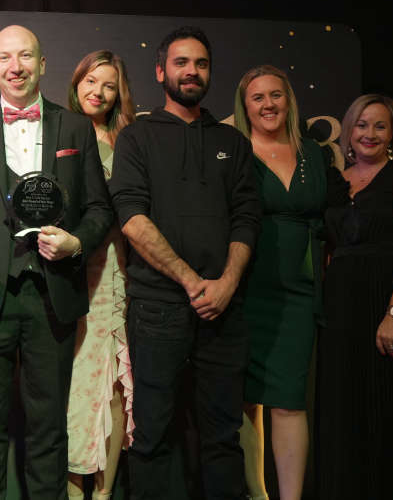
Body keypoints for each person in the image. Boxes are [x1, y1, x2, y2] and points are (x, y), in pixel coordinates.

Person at [0, 25, 114, 500]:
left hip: (52, 297)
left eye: (26, 56)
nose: (16, 67)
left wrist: (76, 243)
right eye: (5, 58)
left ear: (43, 64)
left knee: (49, 428)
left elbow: (100, 210)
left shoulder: (74, 128)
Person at [109, 26, 262, 500]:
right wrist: (193, 282)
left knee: (223, 436)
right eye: (181, 63)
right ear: (160, 72)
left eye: (200, 64)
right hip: (157, 309)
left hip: (225, 310)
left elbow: (247, 218)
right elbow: (132, 218)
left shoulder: (232, 141)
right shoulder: (136, 137)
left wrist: (226, 283)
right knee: (153, 435)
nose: (191, 71)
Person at [316, 94, 393, 499]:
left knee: (390, 408)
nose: (369, 133)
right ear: (349, 131)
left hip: (389, 305)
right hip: (341, 313)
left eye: (379, 126)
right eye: (362, 124)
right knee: (346, 410)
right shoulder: (336, 182)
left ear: (392, 134)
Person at [233, 65, 331, 500]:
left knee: (290, 400)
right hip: (247, 288)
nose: (268, 104)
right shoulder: (235, 151)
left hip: (299, 293)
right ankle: (256, 494)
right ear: (245, 106)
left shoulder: (313, 152)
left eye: (276, 95)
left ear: (288, 100)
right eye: (258, 97)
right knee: (243, 399)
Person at [65, 50, 137, 499]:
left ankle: (105, 493)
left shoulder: (130, 141)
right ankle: (74, 492)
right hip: (71, 276)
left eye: (109, 85)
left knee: (113, 388)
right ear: (76, 83)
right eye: (91, 81)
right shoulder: (59, 132)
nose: (98, 92)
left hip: (117, 272)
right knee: (76, 388)